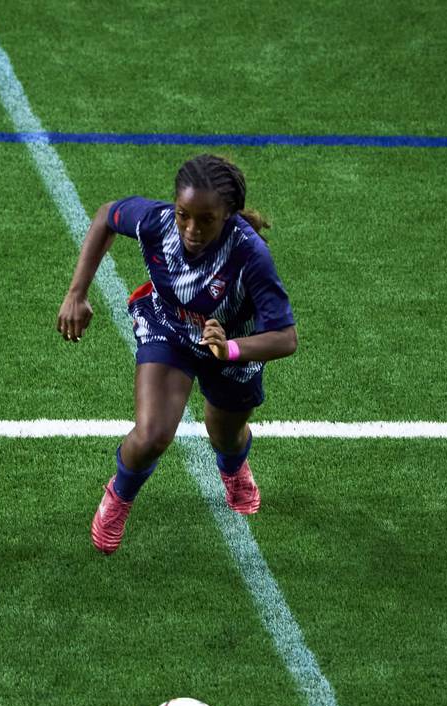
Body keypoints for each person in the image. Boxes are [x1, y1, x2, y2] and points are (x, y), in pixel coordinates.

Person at [57, 154, 297, 555]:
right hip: (168, 328)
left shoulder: (250, 255)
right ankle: (118, 495)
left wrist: (229, 348)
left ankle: (234, 468)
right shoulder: (158, 222)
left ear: (229, 216)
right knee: (151, 434)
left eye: (206, 220)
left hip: (232, 346)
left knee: (225, 434)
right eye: (184, 214)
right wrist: (76, 293)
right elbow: (105, 217)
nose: (191, 229)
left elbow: (285, 337)